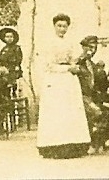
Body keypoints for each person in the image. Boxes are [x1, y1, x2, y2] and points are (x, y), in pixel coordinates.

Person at [34, 13, 91, 158]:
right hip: (55, 80)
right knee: (57, 112)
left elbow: (72, 58)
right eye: (59, 26)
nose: (62, 29)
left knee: (70, 111)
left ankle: (73, 145)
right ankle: (54, 147)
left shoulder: (69, 42)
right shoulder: (49, 42)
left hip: (69, 81)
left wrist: (76, 63)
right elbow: (49, 65)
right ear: (54, 26)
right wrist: (68, 68)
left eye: (64, 26)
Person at [75, 35, 109, 153]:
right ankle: (92, 144)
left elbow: (101, 85)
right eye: (90, 47)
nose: (92, 51)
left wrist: (102, 73)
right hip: (81, 100)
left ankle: (98, 142)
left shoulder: (92, 64)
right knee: (99, 113)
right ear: (83, 47)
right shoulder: (77, 64)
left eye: (95, 48)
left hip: (93, 99)